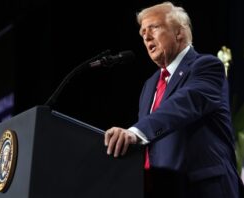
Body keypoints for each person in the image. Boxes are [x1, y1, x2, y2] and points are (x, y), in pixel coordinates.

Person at [104, 1, 243, 198]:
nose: (146, 36)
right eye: (142, 33)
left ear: (179, 32)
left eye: (153, 27)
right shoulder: (150, 84)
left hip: (203, 188)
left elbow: (184, 103)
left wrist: (136, 132)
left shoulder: (206, 66)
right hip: (159, 188)